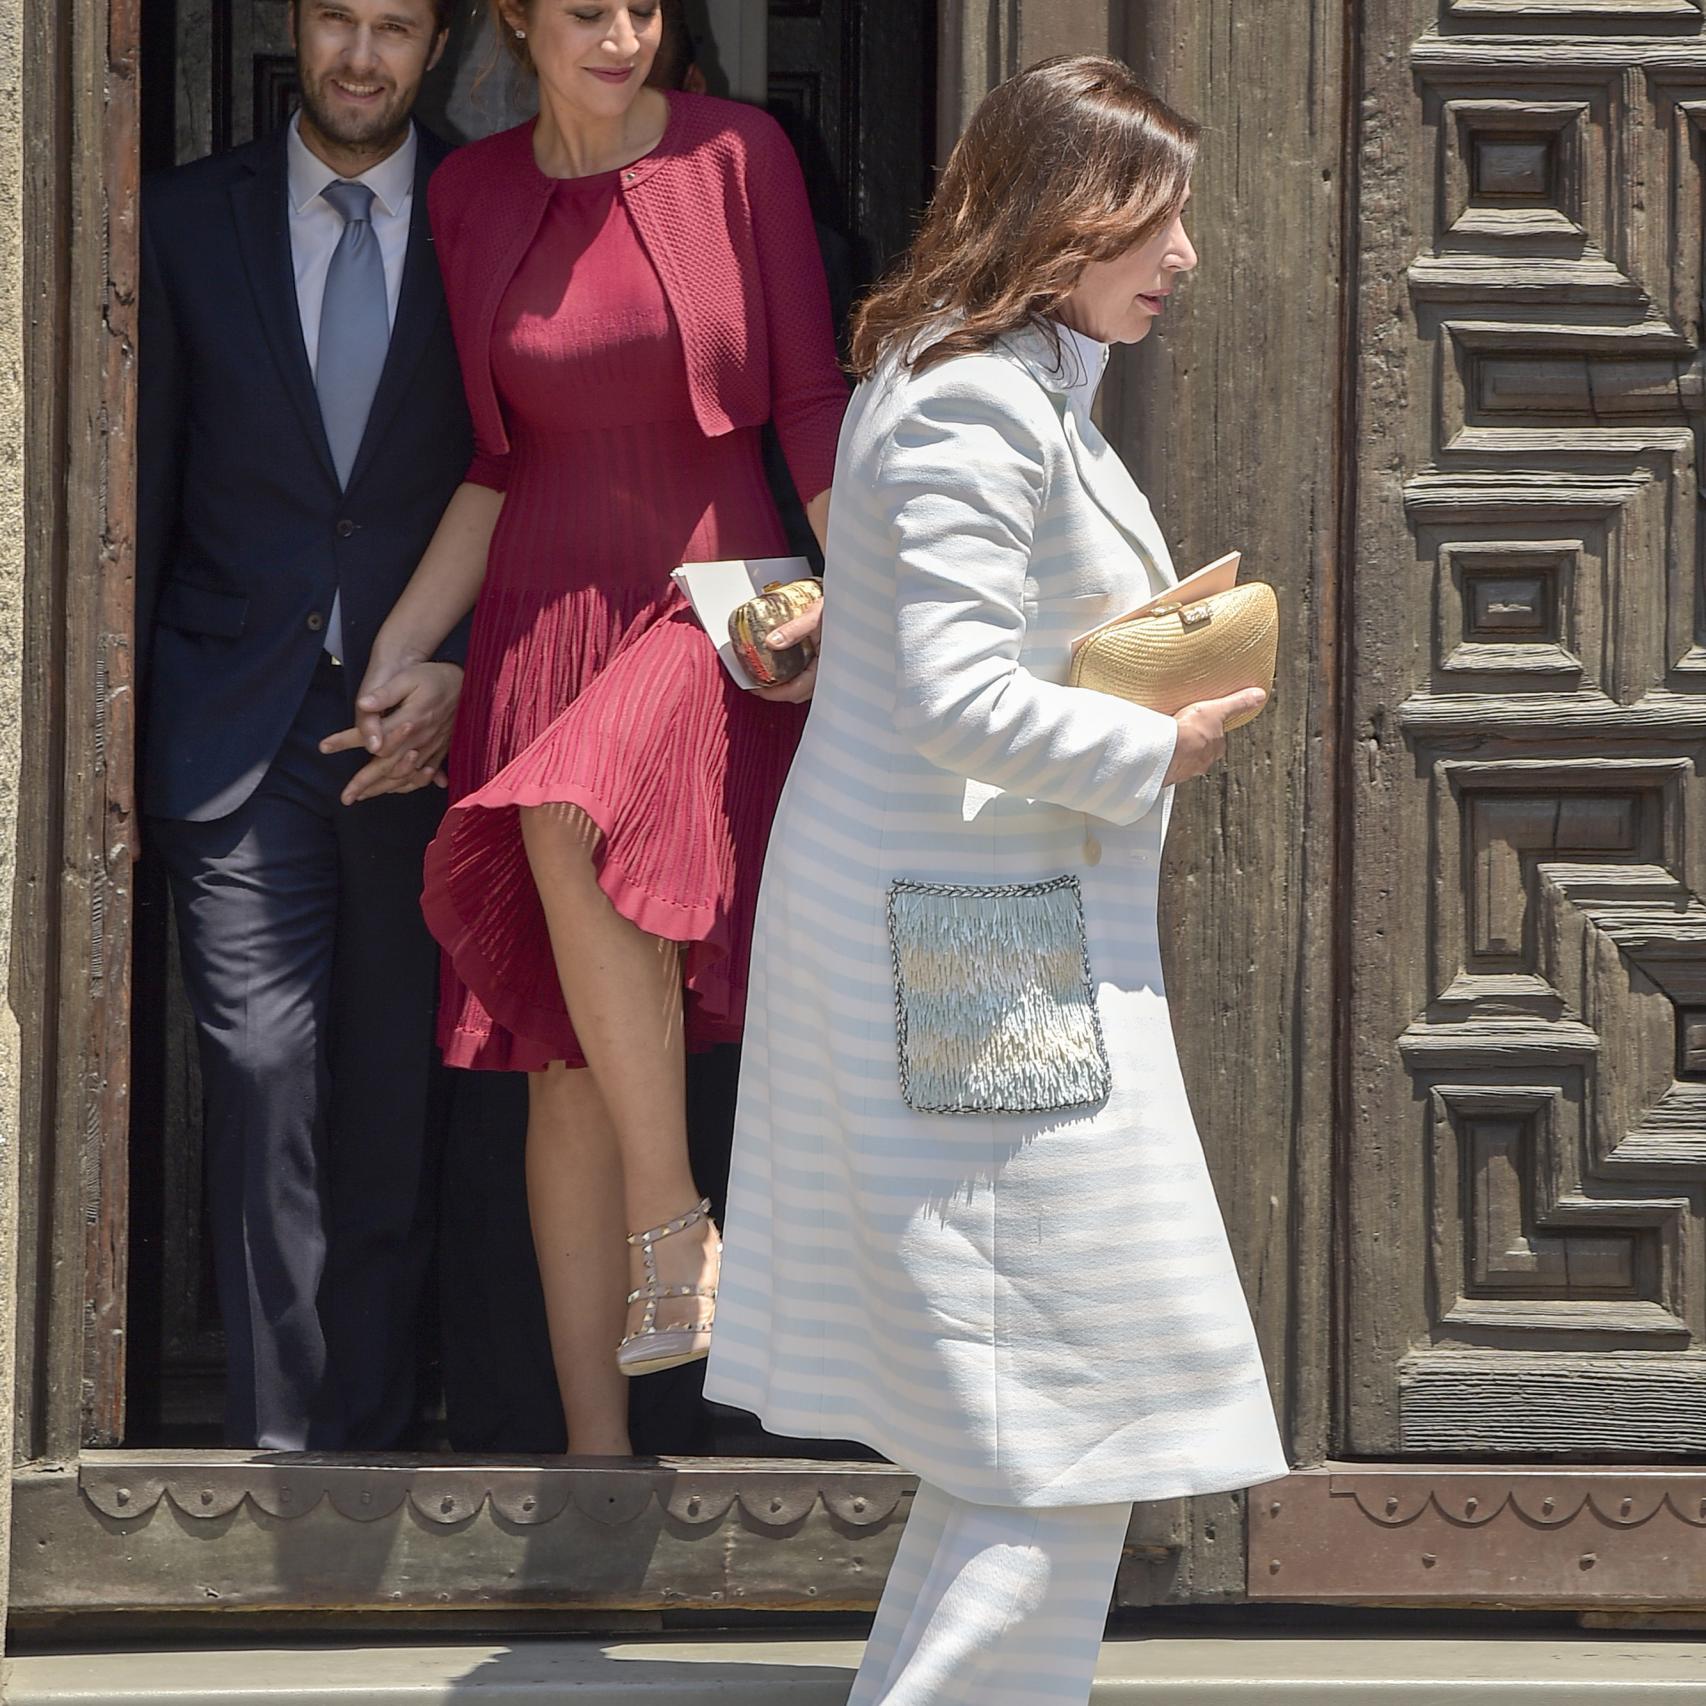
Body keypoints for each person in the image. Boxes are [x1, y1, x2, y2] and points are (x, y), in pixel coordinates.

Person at [704, 56, 1290, 1705]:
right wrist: (1155, 746)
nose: (1180, 256)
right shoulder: (971, 393)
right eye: (1152, 219)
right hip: (970, 950)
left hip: (982, 931)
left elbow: (937, 647)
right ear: (1059, 216)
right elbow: (959, 694)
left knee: (1032, 1397)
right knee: (1075, 1379)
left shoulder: (1007, 371)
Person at [352, 0, 845, 1455]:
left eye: (644, 7)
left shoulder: (738, 155)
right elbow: (498, 460)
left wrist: (860, 599)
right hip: (540, 619)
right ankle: (595, 1462)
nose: (623, 34)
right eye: (587, 10)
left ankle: (672, 1213)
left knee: (559, 817)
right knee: (558, 1051)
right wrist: (395, 647)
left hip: (718, 606)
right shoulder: (470, 189)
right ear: (516, 18)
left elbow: (810, 402)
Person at [136, 0, 473, 1449]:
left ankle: (377, 1444)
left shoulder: (486, 216)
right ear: (293, 25)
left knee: (393, 1094)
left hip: (424, 724)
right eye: (337, 16)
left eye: (394, 27)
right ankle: (285, 1451)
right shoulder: (180, 220)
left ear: (440, 44)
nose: (359, 54)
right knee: (266, 1064)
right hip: (241, 720)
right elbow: (138, 479)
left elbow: (524, 471)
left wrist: (464, 667)